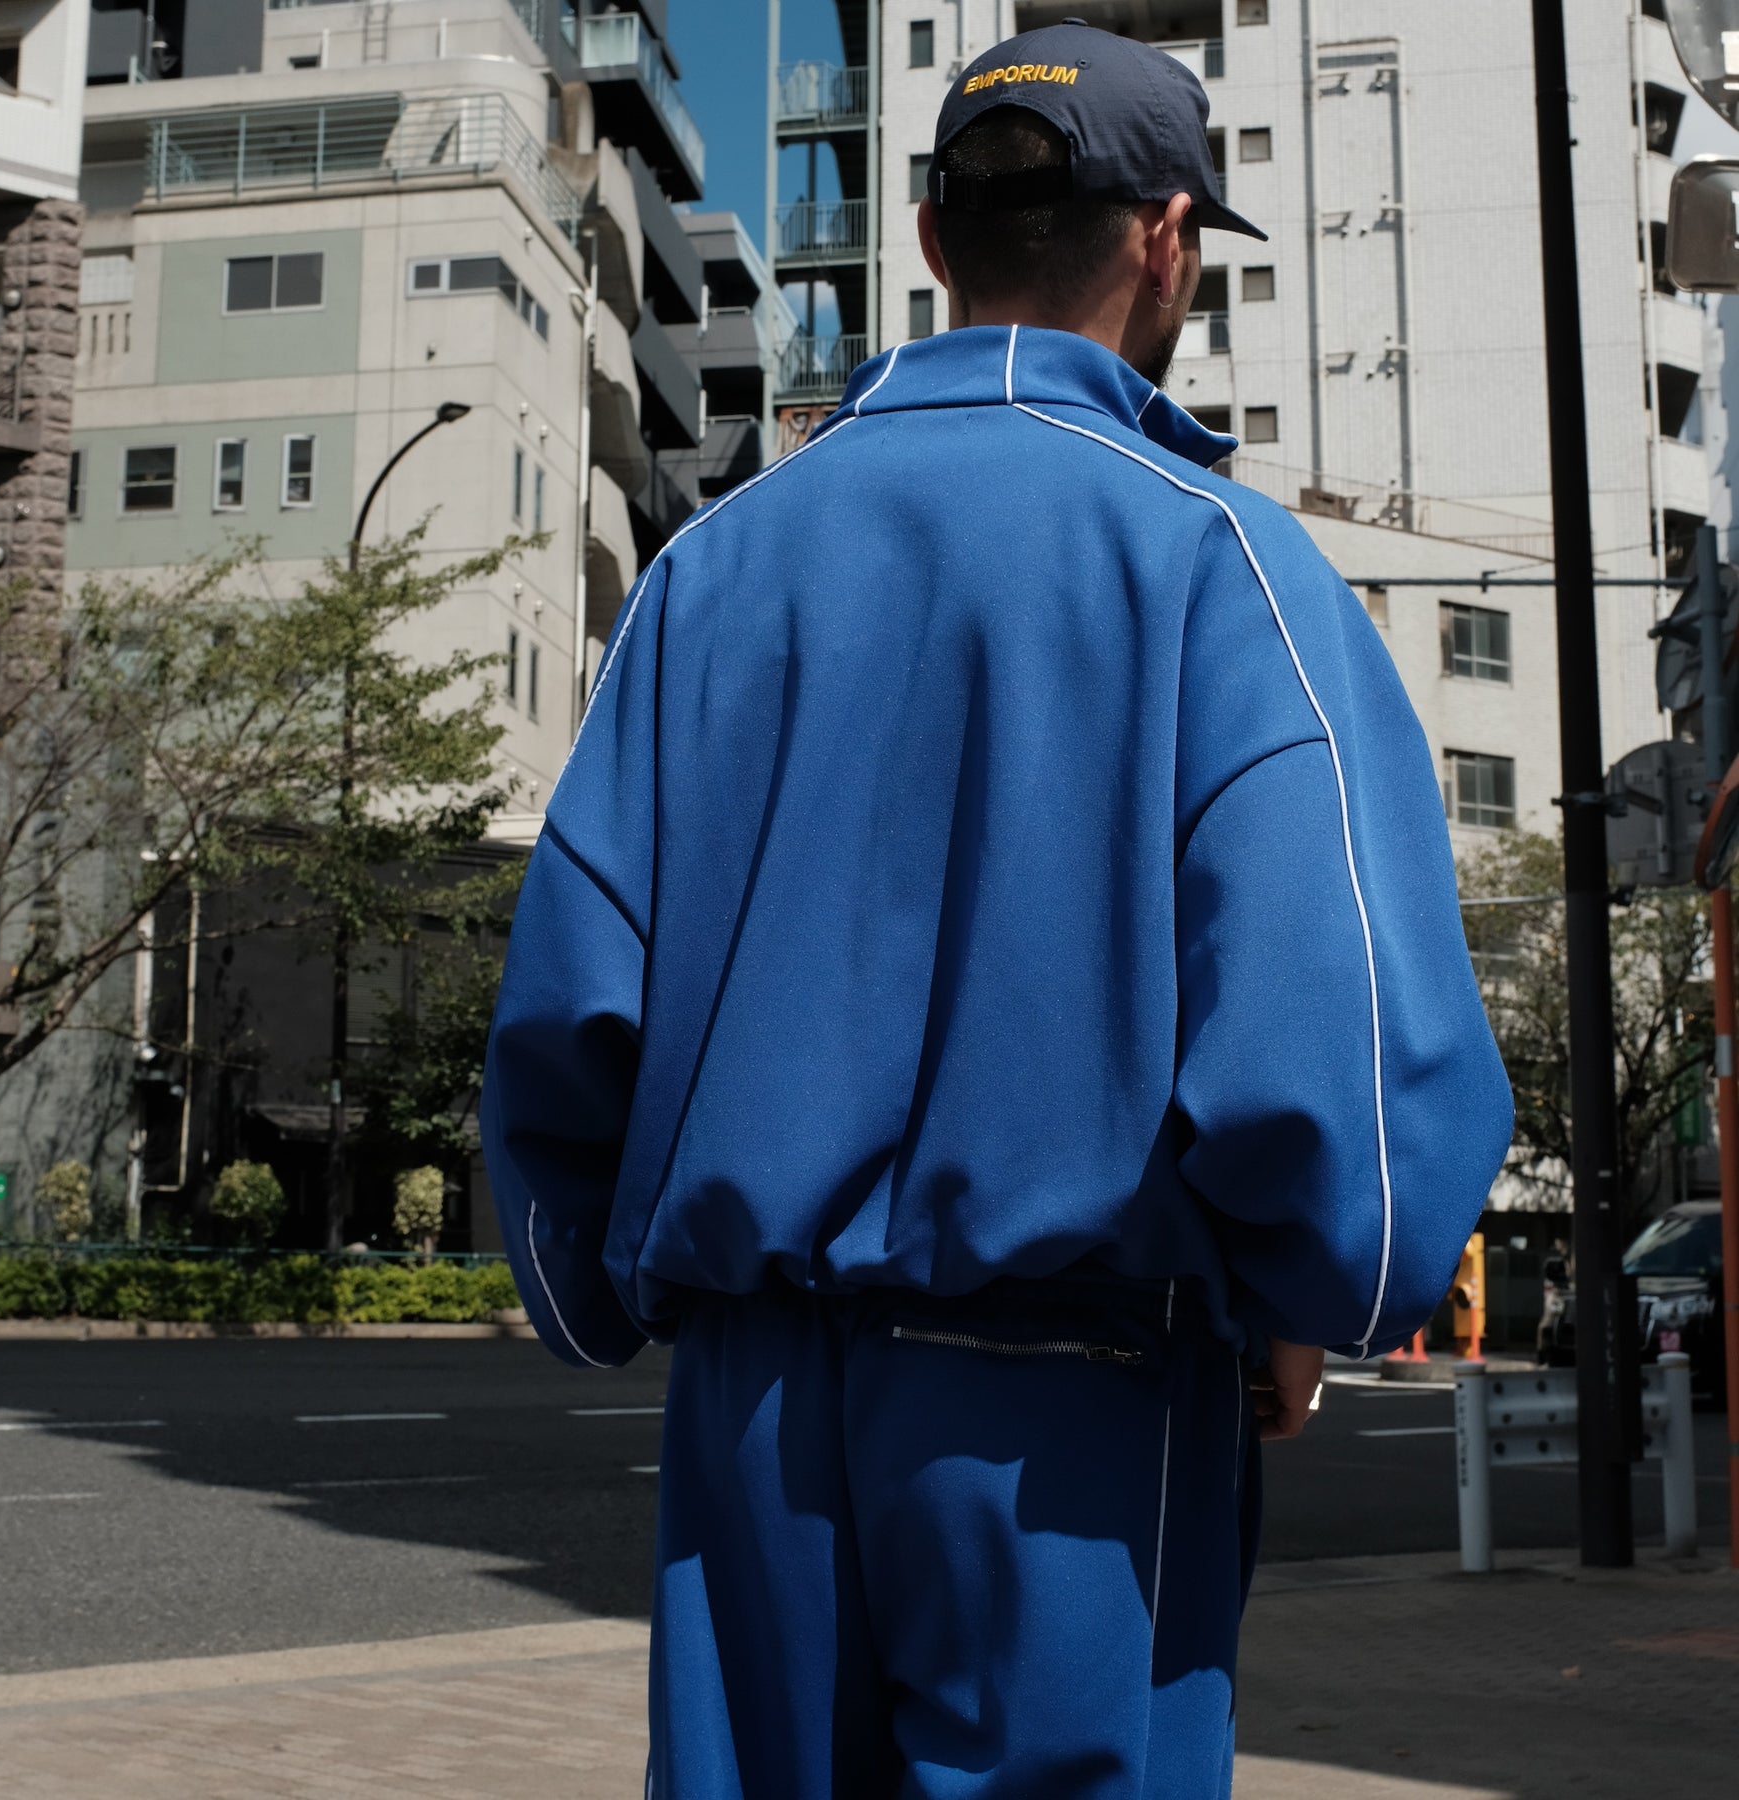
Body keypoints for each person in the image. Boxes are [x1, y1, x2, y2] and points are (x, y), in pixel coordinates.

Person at [483, 20, 1512, 1798]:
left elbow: (573, 1005)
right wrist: (1315, 1284)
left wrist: (594, 1290)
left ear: (938, 240)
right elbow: (1334, 1043)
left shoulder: (710, 573)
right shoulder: (1224, 569)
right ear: (1169, 240)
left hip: (754, 1405)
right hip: (1076, 1411)